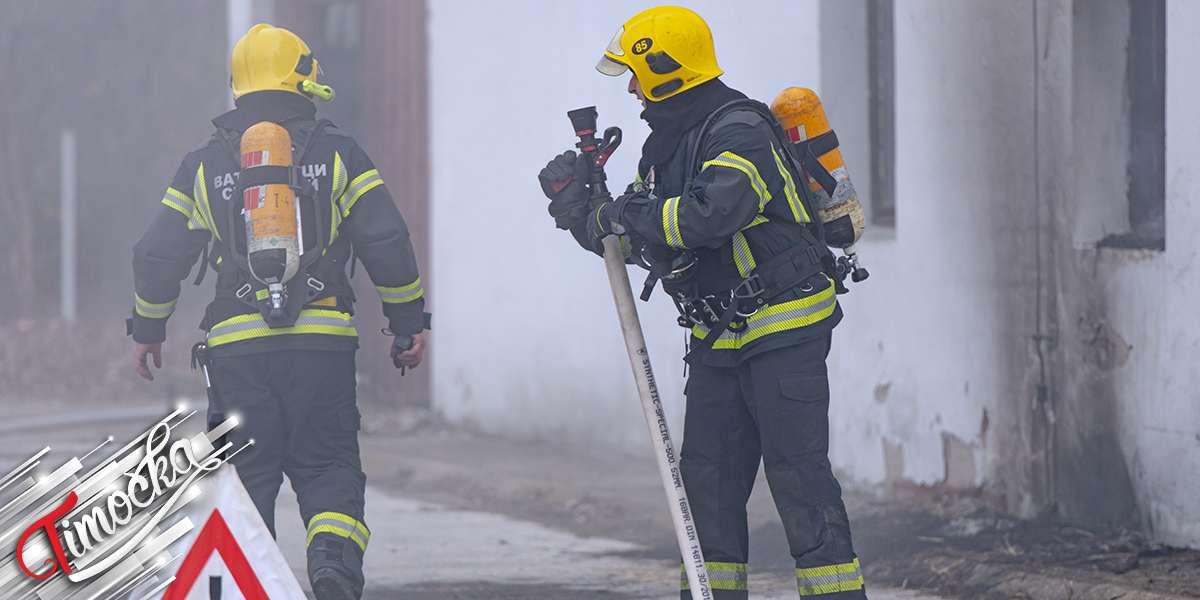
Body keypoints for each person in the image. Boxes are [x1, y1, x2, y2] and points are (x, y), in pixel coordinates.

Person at [538, 6, 867, 599]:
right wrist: (578, 211)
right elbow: (637, 242)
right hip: (719, 340)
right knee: (708, 488)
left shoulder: (739, 129)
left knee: (798, 479)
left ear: (665, 69)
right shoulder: (665, 148)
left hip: (783, 326)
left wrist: (622, 211)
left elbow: (704, 218)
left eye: (636, 74)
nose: (633, 89)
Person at [128, 23, 428, 600]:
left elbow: (157, 252)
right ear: (303, 81)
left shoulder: (204, 164)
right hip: (322, 344)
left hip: (238, 350)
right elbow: (386, 238)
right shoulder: (339, 152)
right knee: (329, 464)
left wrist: (148, 328)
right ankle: (332, 568)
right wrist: (407, 322)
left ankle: (252, 585)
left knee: (245, 477)